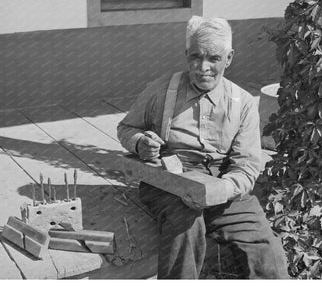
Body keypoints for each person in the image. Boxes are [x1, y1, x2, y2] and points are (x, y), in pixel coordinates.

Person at [117, 16, 289, 279]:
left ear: (229, 58)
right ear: (187, 54)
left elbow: (247, 165)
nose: (203, 67)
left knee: (266, 248)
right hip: (170, 182)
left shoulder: (242, 102)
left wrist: (224, 188)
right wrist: (141, 144)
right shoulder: (161, 90)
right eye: (196, 57)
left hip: (224, 184)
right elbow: (127, 128)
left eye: (214, 58)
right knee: (185, 229)